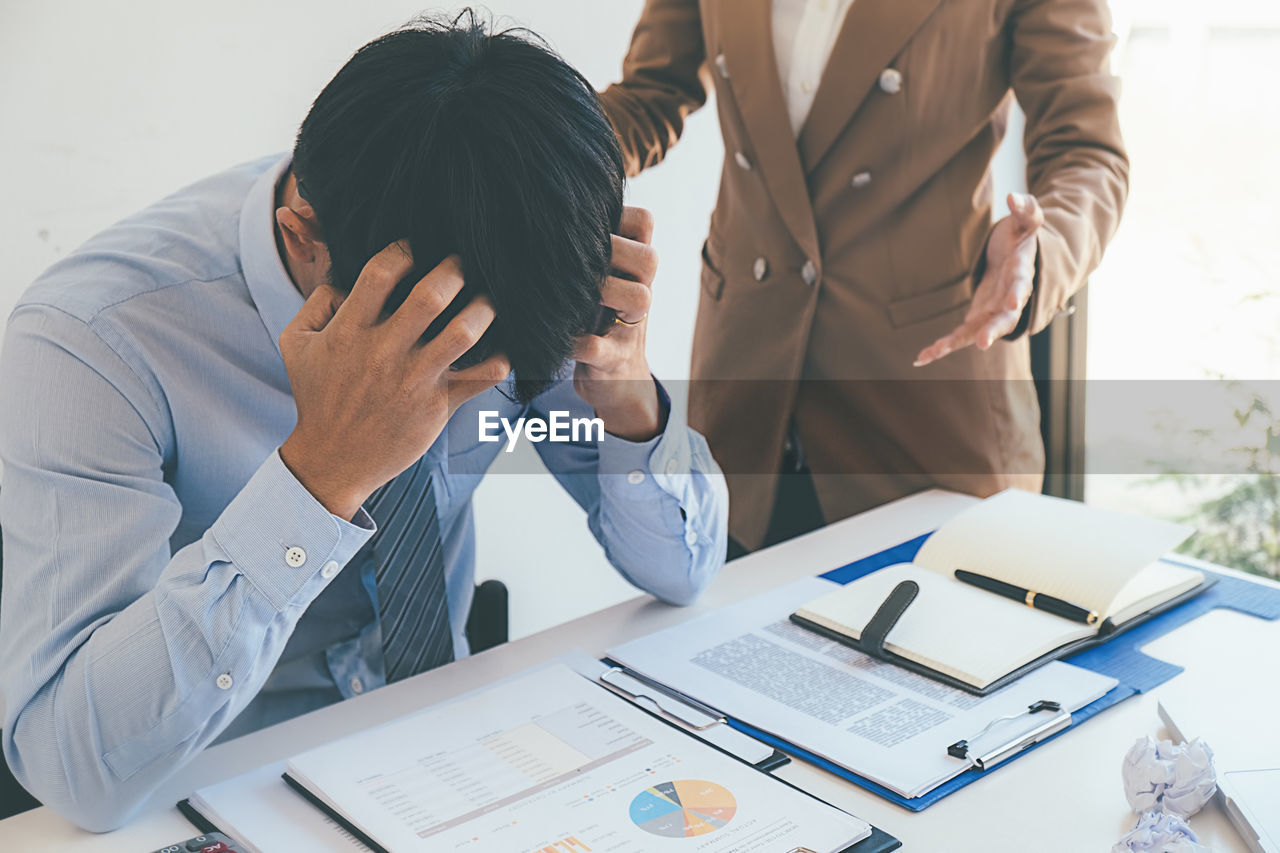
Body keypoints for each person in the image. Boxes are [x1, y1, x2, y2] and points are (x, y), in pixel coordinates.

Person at [0, 13, 727, 831]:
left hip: (455, 757)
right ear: (302, 240)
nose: (470, 384)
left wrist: (628, 399)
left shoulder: (514, 247)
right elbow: (72, 768)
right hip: (210, 790)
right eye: (440, 346)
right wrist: (321, 476)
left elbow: (683, 572)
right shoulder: (94, 342)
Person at [599, 0, 1128, 553]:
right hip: (747, 387)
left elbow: (1087, 151)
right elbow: (649, 95)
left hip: (925, 401)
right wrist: (527, 146)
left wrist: (1039, 254)